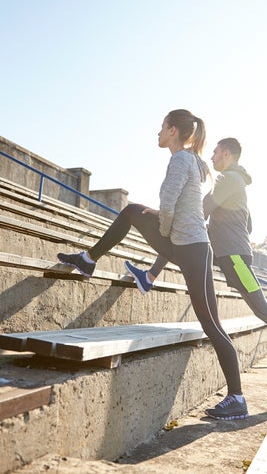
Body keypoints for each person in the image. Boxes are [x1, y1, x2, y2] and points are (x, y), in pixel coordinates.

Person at [57, 110, 248, 420]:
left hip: (192, 249)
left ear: (173, 131)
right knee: (133, 211)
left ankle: (237, 397)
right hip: (188, 246)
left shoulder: (181, 160)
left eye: (161, 128)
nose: (157, 133)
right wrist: (163, 229)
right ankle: (89, 259)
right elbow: (175, 205)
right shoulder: (192, 160)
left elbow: (169, 204)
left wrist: (161, 230)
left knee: (211, 324)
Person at [124, 138, 267, 388]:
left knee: (262, 309)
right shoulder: (234, 182)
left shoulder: (228, 179)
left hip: (235, 258)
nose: (212, 157)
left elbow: (201, 209)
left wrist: (168, 214)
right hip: (225, 252)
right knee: (185, 242)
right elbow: (247, 224)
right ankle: (149, 277)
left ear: (226, 153)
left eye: (215, 152)